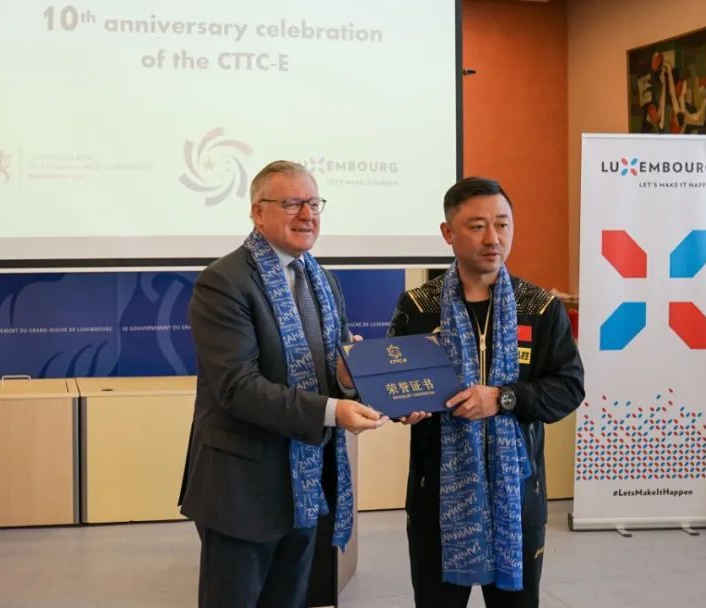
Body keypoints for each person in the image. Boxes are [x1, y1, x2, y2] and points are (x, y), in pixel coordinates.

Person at [179, 160, 388, 608]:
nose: (307, 214)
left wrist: (348, 381)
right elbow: (238, 387)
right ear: (258, 212)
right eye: (292, 203)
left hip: (306, 486)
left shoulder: (322, 280)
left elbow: (331, 373)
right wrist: (332, 411)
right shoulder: (224, 282)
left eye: (314, 203)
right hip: (242, 488)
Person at [388, 177, 584, 607]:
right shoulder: (417, 307)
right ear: (448, 233)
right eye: (477, 226)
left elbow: (568, 388)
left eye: (502, 224)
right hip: (437, 498)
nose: (493, 238)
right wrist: (402, 409)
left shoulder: (540, 307)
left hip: (518, 497)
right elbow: (393, 388)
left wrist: (503, 398)